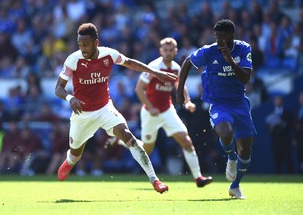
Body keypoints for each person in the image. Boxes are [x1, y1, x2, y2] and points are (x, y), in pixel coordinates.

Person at [55, 23, 177, 193]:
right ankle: (70, 160)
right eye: (80, 45)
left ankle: (155, 180)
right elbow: (58, 88)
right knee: (76, 154)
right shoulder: (73, 60)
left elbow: (131, 63)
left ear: (96, 43)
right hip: (82, 113)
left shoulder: (109, 54)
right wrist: (70, 98)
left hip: (105, 109)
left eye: (86, 44)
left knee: (129, 138)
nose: (82, 48)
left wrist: (156, 73)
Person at [176, 19, 256, 199]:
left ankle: (235, 186)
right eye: (217, 36)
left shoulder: (244, 49)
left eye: (223, 37)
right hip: (218, 102)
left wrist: (230, 60)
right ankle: (231, 156)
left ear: (232, 35)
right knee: (225, 132)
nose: (219, 41)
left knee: (246, 149)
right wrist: (179, 91)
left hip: (239, 102)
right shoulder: (209, 51)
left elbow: (245, 79)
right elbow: (188, 62)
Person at [134, 37, 212, 187]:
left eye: (171, 50)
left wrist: (187, 101)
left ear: (176, 51)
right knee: (147, 149)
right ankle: (126, 142)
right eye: (165, 50)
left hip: (167, 110)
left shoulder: (176, 68)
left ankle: (198, 177)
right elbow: (139, 89)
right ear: (160, 51)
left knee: (186, 141)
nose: (168, 53)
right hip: (150, 113)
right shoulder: (154, 66)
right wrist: (150, 107)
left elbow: (180, 85)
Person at [265, 95, 294, 173]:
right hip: (275, 141)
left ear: (282, 101)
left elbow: (291, 126)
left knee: (287, 160)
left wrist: (283, 123)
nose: (277, 101)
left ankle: (291, 178)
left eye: (279, 99)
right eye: (276, 99)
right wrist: (271, 127)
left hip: (285, 140)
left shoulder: (288, 113)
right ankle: (278, 178)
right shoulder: (270, 114)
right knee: (277, 161)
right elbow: (268, 129)